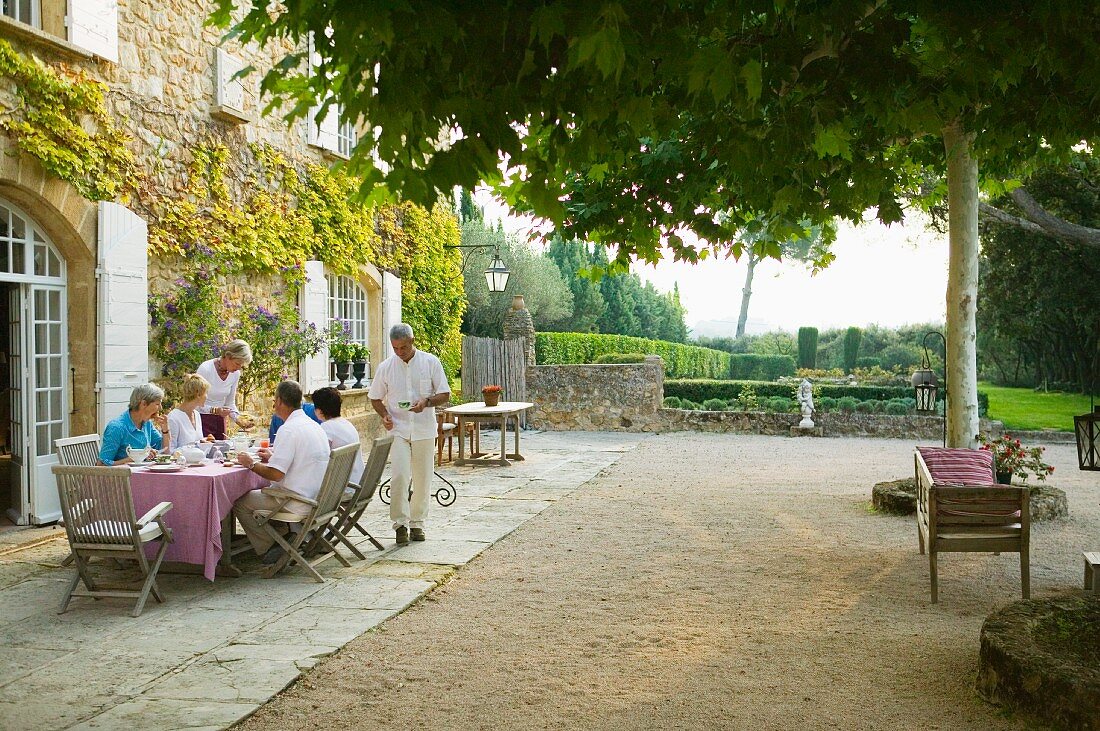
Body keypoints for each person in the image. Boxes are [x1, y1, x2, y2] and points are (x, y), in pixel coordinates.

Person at [368, 323, 450, 545]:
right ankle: (400, 524)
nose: (399, 352)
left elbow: (445, 394)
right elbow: (375, 397)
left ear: (412, 341)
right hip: (399, 430)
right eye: (395, 348)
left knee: (423, 478)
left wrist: (427, 402)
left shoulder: (430, 362)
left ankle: (417, 523)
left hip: (424, 428)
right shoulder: (386, 367)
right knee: (400, 476)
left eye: (403, 347)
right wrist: (384, 415)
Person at [233, 380, 331, 561]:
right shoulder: (314, 426)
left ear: (278, 401)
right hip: (319, 498)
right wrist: (272, 457)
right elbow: (301, 459)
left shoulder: (289, 430)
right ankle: (284, 537)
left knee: (239, 502)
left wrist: (250, 464)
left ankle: (270, 548)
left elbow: (275, 474)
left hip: (296, 501)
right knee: (255, 495)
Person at [196, 340, 255, 437]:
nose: (239, 368)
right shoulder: (206, 369)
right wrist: (216, 410)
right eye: (237, 363)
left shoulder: (235, 374)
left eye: (241, 365)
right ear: (228, 356)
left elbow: (230, 403)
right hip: (202, 420)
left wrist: (239, 419)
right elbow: (195, 403)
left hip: (220, 420)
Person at [99, 383, 169, 465]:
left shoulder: (147, 424)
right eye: (157, 404)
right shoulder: (117, 427)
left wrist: (165, 430)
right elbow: (101, 464)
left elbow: (165, 451)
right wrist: (134, 459)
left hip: (143, 475)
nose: (161, 408)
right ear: (143, 404)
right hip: (123, 477)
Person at [311, 387, 364, 483]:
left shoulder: (326, 428)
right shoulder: (347, 424)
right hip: (356, 482)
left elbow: (317, 458)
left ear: (319, 411)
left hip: (342, 487)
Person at [166, 373, 214, 451]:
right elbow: (169, 450)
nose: (207, 397)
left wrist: (205, 442)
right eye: (206, 393)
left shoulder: (197, 415)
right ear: (198, 394)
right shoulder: (173, 417)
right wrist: (196, 446)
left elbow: (197, 444)